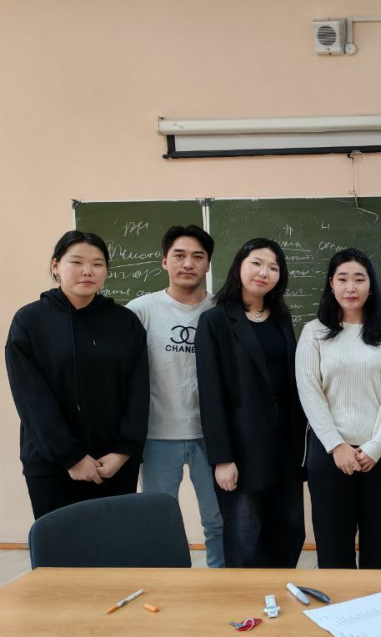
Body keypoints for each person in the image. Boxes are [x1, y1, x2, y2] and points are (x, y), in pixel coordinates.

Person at [6, 231, 149, 519]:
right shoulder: (29, 321)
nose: (88, 271)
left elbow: (139, 391)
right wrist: (71, 457)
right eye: (77, 262)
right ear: (55, 266)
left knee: (112, 543)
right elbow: (31, 399)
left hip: (114, 464)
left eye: (97, 263)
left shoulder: (125, 322)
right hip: (53, 464)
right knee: (58, 546)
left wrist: (123, 451)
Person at [195, 238, 306, 569]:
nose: (264, 272)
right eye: (256, 263)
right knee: (245, 538)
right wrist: (222, 458)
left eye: (273, 267)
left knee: (288, 530)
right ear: (239, 266)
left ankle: (279, 594)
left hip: (284, 447)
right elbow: (210, 394)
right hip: (241, 449)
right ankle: (248, 600)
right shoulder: (215, 320)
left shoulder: (281, 319)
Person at [297, 249, 381, 570]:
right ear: (331, 284)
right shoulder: (313, 332)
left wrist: (376, 446)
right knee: (333, 546)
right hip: (329, 453)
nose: (351, 287)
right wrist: (336, 445)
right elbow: (310, 393)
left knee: (380, 545)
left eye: (359, 279)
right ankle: (340, 604)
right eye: (342, 279)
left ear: (370, 286)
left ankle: (379, 603)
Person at [127, 225, 224, 568]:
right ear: (165, 261)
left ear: (208, 264)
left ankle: (221, 583)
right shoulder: (140, 310)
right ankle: (166, 584)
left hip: (211, 436)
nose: (188, 264)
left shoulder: (222, 310)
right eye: (179, 255)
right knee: (158, 523)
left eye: (197, 257)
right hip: (156, 434)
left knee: (218, 521)